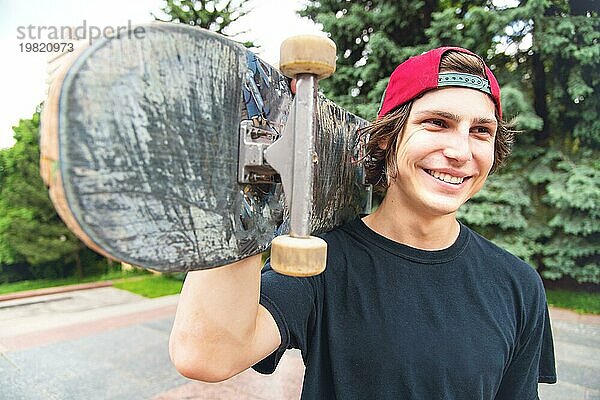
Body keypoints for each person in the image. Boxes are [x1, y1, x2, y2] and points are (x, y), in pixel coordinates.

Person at [169, 46, 557, 399]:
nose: (459, 151)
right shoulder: (322, 262)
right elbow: (206, 354)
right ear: (388, 136)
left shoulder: (517, 284)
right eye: (437, 123)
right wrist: (243, 189)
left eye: (480, 132)